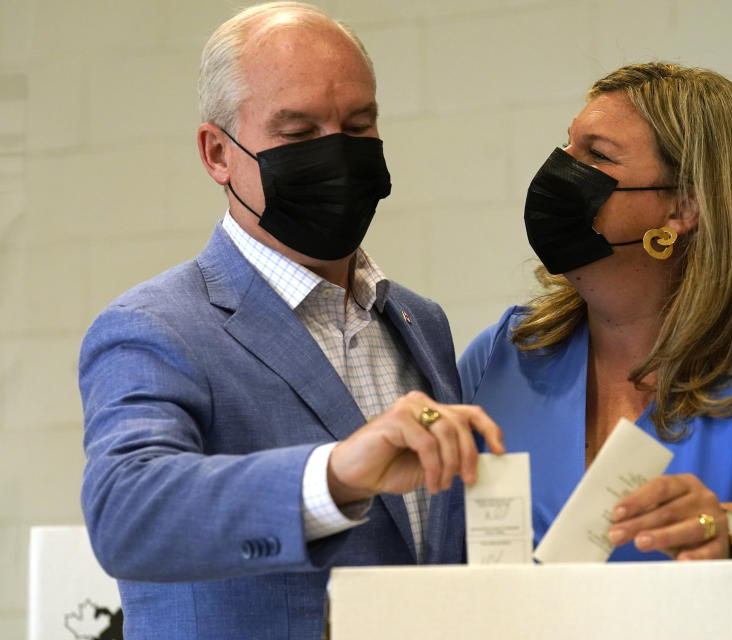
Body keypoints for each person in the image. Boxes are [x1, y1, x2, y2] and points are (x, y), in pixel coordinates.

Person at [78, 3, 502, 638]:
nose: (335, 153)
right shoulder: (156, 325)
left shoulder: (419, 320)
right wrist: (332, 476)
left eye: (358, 127)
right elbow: (127, 513)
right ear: (217, 153)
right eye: (298, 134)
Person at [459, 62, 732, 640]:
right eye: (566, 146)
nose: (559, 171)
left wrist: (724, 531)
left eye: (597, 156)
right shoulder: (505, 355)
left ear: (683, 208)